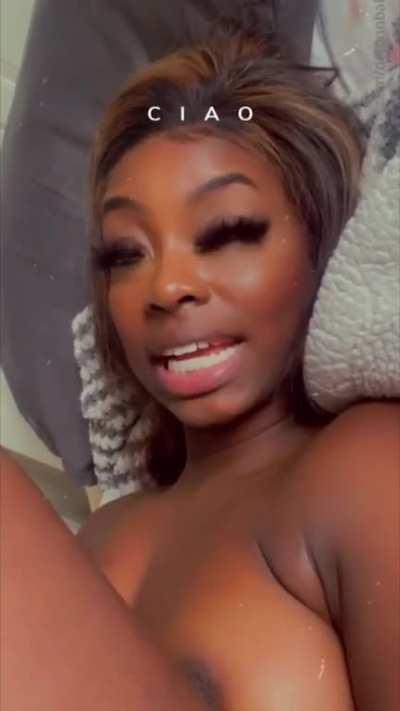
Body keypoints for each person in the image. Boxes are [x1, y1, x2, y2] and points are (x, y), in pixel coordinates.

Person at [2, 19, 399, 711]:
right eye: (127, 254)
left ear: (321, 252)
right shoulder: (102, 535)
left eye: (227, 232)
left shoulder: (363, 466)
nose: (166, 286)